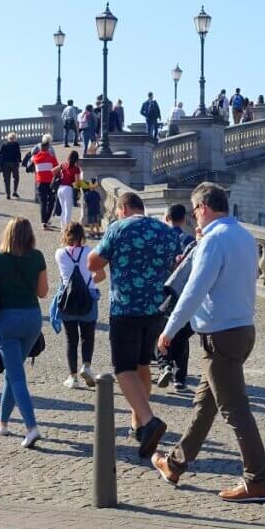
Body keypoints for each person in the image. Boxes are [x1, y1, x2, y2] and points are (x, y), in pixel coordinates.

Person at [150, 183, 265, 503]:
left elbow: (194, 289)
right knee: (205, 406)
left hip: (219, 336)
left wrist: (170, 330)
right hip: (241, 328)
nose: (194, 219)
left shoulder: (214, 240)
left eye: (194, 212)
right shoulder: (244, 236)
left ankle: (257, 480)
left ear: (203, 207)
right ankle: (175, 463)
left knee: (236, 411)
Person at [89, 192, 179, 459]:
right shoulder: (165, 231)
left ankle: (150, 420)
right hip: (155, 310)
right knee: (142, 365)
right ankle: (138, 424)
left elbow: (92, 262)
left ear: (124, 208)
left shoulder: (119, 228)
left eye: (118, 211)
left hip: (126, 308)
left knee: (123, 369)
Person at [0, 217, 48, 449]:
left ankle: (31, 427)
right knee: (13, 370)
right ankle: (3, 421)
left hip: (6, 321)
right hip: (32, 320)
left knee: (16, 376)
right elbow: (43, 292)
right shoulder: (37, 257)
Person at [50, 223, 104, 389]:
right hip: (88, 297)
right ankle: (86, 366)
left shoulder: (59, 254)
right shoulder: (90, 252)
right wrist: (88, 283)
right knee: (88, 336)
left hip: (68, 300)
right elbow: (101, 275)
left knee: (71, 340)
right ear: (82, 235)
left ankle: (72, 377)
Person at [154, 204, 197, 391]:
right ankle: (180, 377)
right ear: (184, 219)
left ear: (166, 217)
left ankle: (165, 364)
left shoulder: (159, 238)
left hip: (162, 291)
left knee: (161, 330)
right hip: (183, 291)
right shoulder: (189, 240)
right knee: (181, 334)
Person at [32, 135, 58, 230]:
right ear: (47, 148)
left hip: (39, 182)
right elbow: (56, 169)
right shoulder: (51, 158)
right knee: (51, 201)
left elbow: (32, 159)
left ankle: (44, 222)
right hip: (50, 182)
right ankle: (46, 220)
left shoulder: (35, 158)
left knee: (42, 202)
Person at [55, 151, 82, 228]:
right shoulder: (76, 169)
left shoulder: (64, 165)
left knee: (63, 210)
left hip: (60, 188)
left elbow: (53, 171)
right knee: (68, 211)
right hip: (68, 189)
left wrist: (60, 168)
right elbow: (77, 183)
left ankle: (62, 228)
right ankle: (67, 229)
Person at [0, 132, 22, 199]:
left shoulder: (4, 144)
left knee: (7, 179)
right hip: (14, 163)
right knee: (16, 178)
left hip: (5, 164)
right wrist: (19, 160)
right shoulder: (16, 144)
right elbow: (19, 154)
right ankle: (15, 191)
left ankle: (8, 194)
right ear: (15, 138)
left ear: (8, 138)